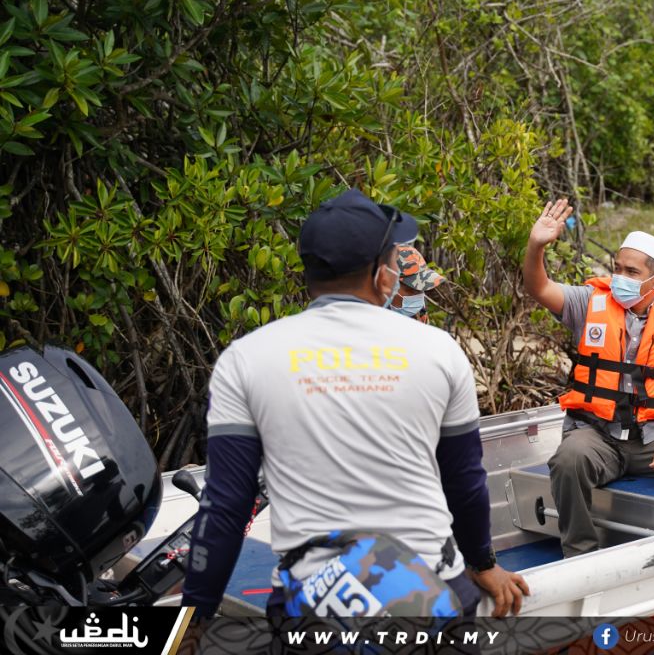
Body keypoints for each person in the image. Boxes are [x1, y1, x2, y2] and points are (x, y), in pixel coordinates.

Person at [182, 189, 529, 617]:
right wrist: (482, 563)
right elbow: (465, 481)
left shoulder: (246, 358)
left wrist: (194, 618)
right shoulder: (439, 350)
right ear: (383, 276)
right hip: (433, 593)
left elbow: (226, 507)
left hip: (314, 605)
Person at [522, 199, 654, 557]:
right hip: (596, 436)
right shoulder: (589, 302)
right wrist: (536, 245)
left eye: (631, 272)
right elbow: (539, 288)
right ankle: (580, 553)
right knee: (568, 459)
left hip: (652, 440)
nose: (620, 277)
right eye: (617, 268)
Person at [389, 243, 446, 322]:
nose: (419, 296)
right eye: (411, 289)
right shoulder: (373, 319)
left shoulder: (419, 313)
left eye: (422, 288)